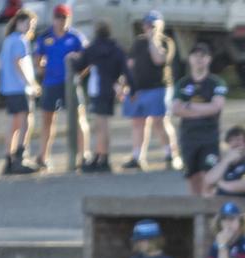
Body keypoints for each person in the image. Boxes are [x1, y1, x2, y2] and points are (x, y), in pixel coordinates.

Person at [33, 4, 88, 171]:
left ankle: (83, 155)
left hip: (70, 83)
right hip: (51, 83)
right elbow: (37, 57)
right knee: (48, 119)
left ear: (69, 18)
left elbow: (87, 57)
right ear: (53, 18)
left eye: (64, 17)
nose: (61, 21)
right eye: (58, 17)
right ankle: (44, 156)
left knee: (79, 118)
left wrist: (79, 74)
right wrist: (42, 70)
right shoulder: (45, 36)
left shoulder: (76, 37)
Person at [123, 10, 180, 170]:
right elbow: (130, 65)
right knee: (138, 122)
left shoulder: (166, 41)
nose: (150, 28)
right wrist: (125, 86)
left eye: (153, 25)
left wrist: (152, 40)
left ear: (160, 26)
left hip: (158, 88)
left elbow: (158, 59)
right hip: (139, 89)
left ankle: (171, 155)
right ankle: (137, 157)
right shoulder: (138, 42)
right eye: (147, 25)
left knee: (159, 121)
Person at [172, 43, 227, 196]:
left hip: (209, 136)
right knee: (192, 176)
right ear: (189, 59)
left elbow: (216, 107)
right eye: (195, 56)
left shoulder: (216, 82)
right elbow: (176, 109)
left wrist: (189, 106)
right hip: (189, 137)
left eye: (202, 56)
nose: (199, 59)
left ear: (209, 59)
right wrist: (203, 110)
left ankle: (208, 208)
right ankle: (196, 210)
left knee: (209, 176)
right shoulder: (182, 84)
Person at [75, 20, 128, 173]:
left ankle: (101, 157)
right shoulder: (116, 49)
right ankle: (103, 156)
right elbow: (124, 69)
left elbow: (79, 65)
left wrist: (73, 59)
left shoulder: (93, 48)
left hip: (98, 89)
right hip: (110, 89)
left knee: (100, 125)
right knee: (104, 125)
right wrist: (126, 87)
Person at [0, 9, 39, 175]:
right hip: (19, 88)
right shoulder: (20, 41)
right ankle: (20, 158)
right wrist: (31, 83)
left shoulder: (8, 40)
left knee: (14, 124)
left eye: (32, 25)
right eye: (28, 24)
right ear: (19, 23)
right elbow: (18, 62)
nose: (30, 28)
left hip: (8, 87)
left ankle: (8, 160)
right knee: (25, 123)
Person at [204, 126, 245, 197]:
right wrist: (226, 161)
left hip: (244, 203)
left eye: (239, 139)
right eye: (231, 140)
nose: (235, 143)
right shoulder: (225, 163)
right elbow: (208, 181)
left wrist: (220, 183)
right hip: (221, 202)